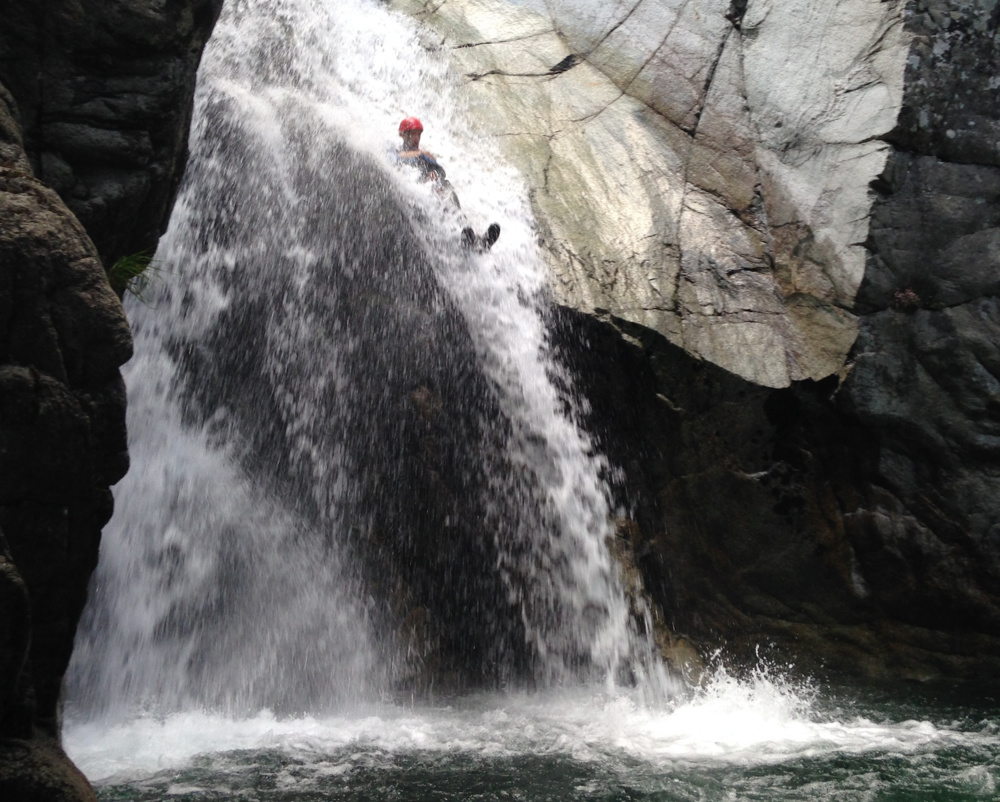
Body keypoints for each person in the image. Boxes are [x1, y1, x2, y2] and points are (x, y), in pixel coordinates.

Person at [395, 117, 500, 252]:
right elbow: (396, 159)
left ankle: (473, 238)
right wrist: (419, 154)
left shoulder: (426, 155)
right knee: (440, 192)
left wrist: (433, 173)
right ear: (403, 134)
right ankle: (463, 237)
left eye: (418, 134)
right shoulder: (399, 152)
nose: (417, 138)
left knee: (448, 190)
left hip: (431, 187)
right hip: (415, 190)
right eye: (413, 134)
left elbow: (438, 172)